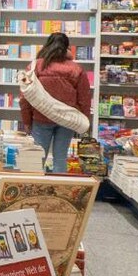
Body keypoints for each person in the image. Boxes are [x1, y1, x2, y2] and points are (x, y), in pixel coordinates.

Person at [20, 32, 91, 172]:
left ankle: (34, 191)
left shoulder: (34, 67)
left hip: (41, 118)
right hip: (67, 120)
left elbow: (24, 98)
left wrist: (27, 122)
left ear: (47, 44)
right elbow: (84, 99)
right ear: (67, 48)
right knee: (60, 158)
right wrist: (83, 120)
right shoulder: (77, 69)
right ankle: (59, 191)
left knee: (37, 160)